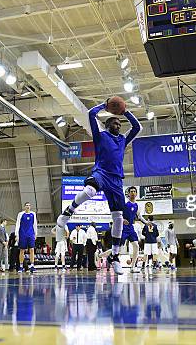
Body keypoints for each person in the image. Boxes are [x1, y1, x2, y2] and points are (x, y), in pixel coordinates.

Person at [56, 100, 142, 275]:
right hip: (101, 172)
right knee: (89, 190)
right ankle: (67, 212)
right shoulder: (101, 136)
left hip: (117, 180)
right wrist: (104, 104)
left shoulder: (123, 140)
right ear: (108, 125)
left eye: (119, 123)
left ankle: (115, 256)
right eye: (115, 123)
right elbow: (91, 115)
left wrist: (125, 112)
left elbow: (137, 127)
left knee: (118, 217)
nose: (118, 125)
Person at [15, 203, 38, 273]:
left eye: (29, 205)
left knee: (32, 249)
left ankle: (32, 266)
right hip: (22, 234)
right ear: (24, 207)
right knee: (22, 250)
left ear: (30, 207)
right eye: (26, 205)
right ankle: (21, 266)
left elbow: (35, 224)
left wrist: (36, 233)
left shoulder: (33, 214)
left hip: (31, 234)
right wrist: (16, 234)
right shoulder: (20, 214)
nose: (28, 206)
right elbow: (17, 224)